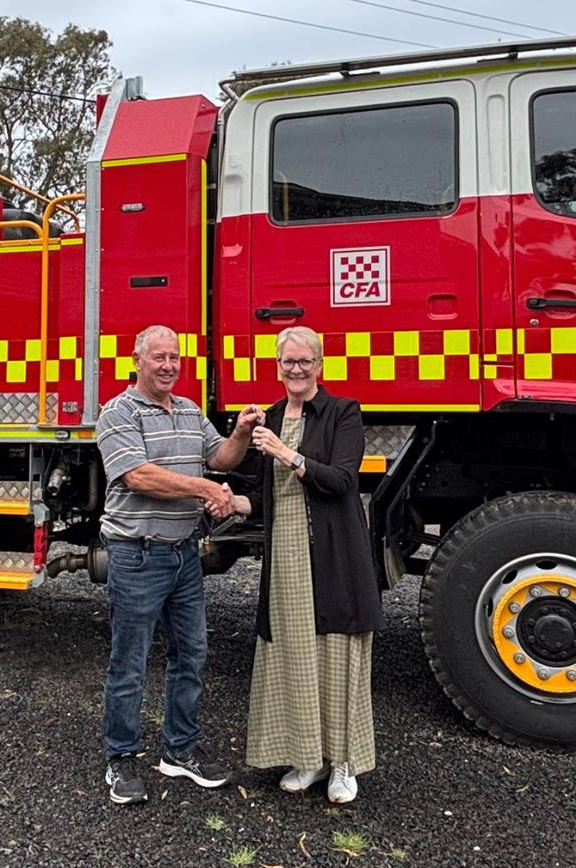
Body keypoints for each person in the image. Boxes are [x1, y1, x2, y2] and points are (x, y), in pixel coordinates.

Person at [94, 324, 264, 805]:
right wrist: (206, 490)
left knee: (191, 654)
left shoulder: (190, 410)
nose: (168, 366)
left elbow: (222, 459)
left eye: (175, 358)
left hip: (184, 554)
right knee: (129, 662)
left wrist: (241, 432)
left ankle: (179, 751)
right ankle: (121, 760)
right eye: (159, 357)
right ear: (137, 360)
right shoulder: (118, 412)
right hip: (137, 553)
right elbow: (137, 475)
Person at [242, 325, 382, 804]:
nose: (296, 370)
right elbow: (264, 500)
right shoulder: (274, 414)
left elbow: (342, 481)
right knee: (295, 655)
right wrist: (226, 501)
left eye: (305, 362)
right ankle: (309, 759)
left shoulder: (343, 412)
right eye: (288, 362)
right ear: (277, 367)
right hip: (287, 561)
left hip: (333, 553)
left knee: (336, 652)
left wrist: (285, 451)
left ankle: (343, 764)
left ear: (320, 365)